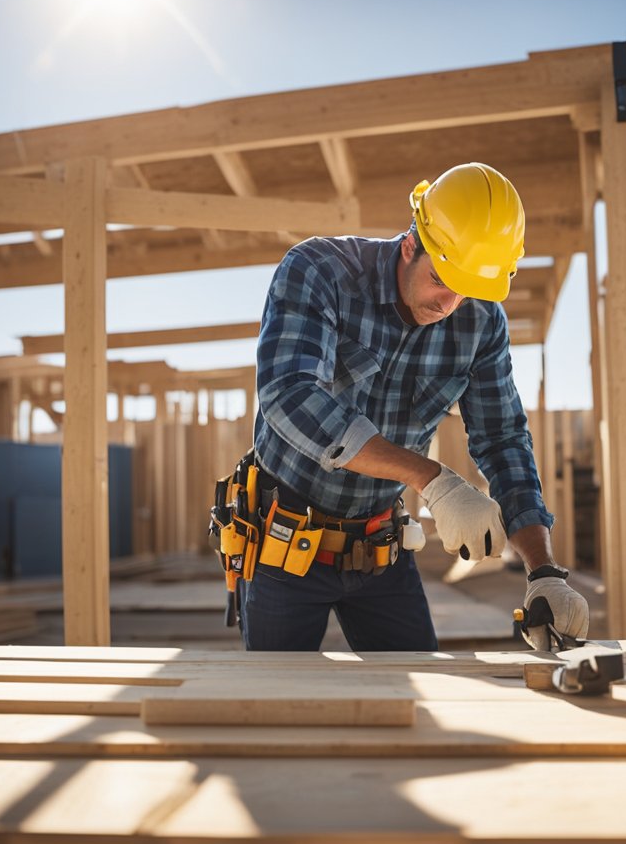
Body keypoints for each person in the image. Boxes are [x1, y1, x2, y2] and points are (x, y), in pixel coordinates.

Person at [240, 162, 589, 652]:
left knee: (418, 690)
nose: (449, 303)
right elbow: (290, 396)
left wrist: (544, 571)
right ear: (410, 245)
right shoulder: (319, 271)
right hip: (286, 542)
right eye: (441, 279)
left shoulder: (481, 323)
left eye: (468, 289)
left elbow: (503, 439)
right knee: (275, 708)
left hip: (381, 547)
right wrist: (433, 479)